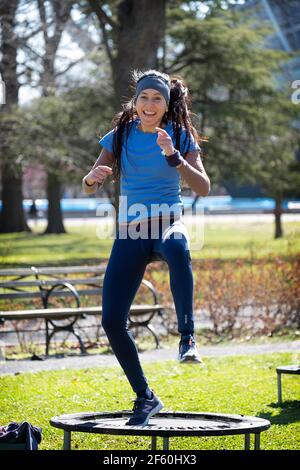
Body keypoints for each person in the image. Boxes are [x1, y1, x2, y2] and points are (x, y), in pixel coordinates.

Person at [82, 69, 211, 426]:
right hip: (130, 231)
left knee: (179, 248)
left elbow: (203, 186)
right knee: (111, 321)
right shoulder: (120, 135)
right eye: (144, 98)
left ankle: (187, 338)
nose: (149, 104)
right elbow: (90, 180)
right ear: (135, 103)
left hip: (167, 222)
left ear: (167, 106)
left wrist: (175, 156)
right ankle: (146, 397)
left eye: (157, 99)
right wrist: (91, 178)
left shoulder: (180, 135)